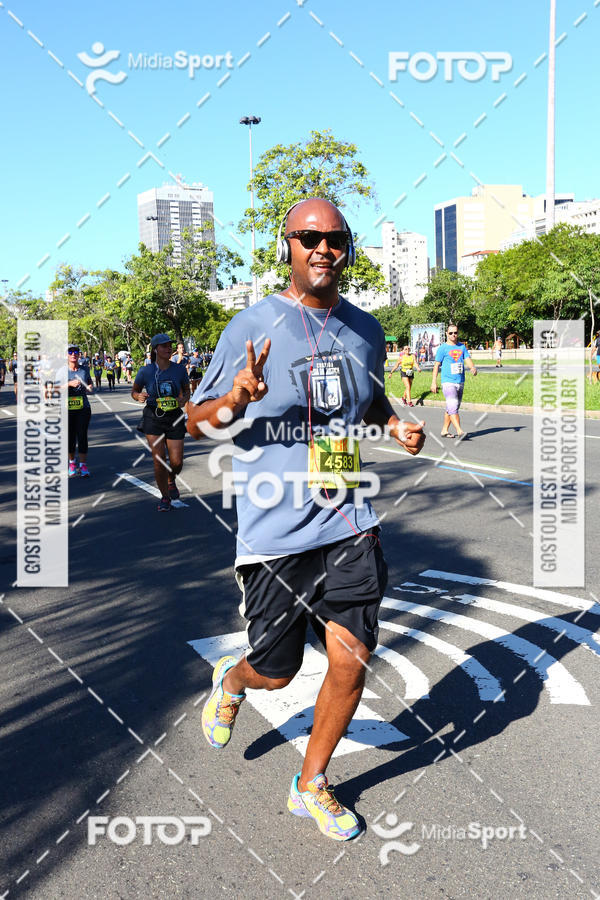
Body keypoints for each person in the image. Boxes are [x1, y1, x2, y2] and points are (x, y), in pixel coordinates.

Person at [186, 198, 425, 841]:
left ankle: (311, 783)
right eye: (308, 237)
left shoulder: (367, 330)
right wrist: (237, 397)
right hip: (274, 532)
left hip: (348, 517)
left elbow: (367, 397)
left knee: (352, 656)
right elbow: (196, 420)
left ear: (348, 248)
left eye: (335, 239)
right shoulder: (252, 323)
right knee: (278, 671)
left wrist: (394, 423)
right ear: (286, 246)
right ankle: (234, 679)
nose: (322, 248)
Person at [131, 333, 190, 511]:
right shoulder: (145, 371)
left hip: (174, 417)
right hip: (153, 417)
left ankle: (171, 479)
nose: (168, 348)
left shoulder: (179, 369)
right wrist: (138, 396)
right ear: (155, 349)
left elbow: (187, 391)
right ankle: (165, 497)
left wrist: (183, 399)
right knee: (159, 460)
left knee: (177, 462)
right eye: (164, 346)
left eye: (169, 345)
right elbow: (134, 391)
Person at [431, 323, 477, 438]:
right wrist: (433, 382)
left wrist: (472, 367)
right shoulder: (443, 348)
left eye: (455, 333)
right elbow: (436, 365)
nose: (453, 335)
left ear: (458, 333)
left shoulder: (462, 347)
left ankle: (444, 430)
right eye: (450, 333)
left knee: (452, 408)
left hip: (460, 381)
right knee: (453, 405)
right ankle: (459, 431)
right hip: (447, 382)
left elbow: (467, 358)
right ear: (447, 334)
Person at [58, 345, 94, 477]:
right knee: (70, 437)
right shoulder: (62, 371)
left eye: (76, 352)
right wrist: (68, 384)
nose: (73, 354)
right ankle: (72, 462)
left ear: (79, 354)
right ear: (66, 355)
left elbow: (90, 384)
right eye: (70, 352)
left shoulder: (84, 370)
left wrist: (90, 387)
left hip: (83, 408)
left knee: (82, 435)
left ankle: (83, 466)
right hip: (67, 409)